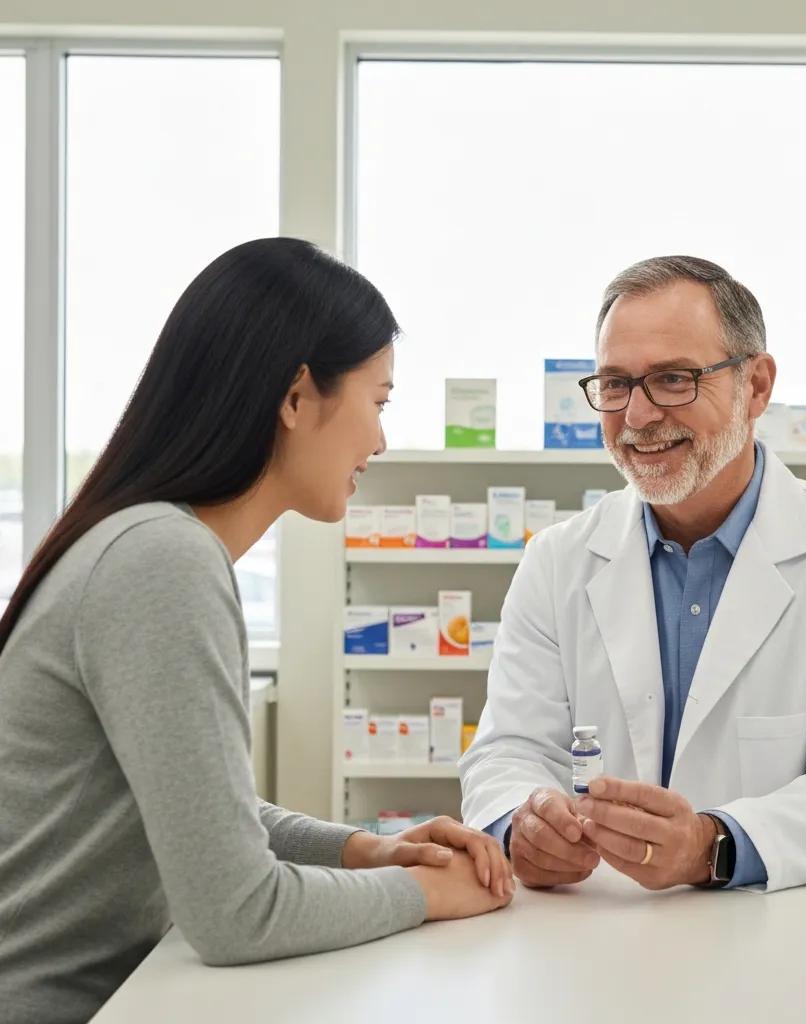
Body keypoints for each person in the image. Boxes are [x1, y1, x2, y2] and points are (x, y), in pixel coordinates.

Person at [0, 238, 513, 1024]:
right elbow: (237, 913)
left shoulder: (149, 542)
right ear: (298, 397)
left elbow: (199, 805)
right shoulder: (161, 561)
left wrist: (363, 849)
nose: (379, 441)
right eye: (377, 402)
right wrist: (425, 893)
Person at [460, 255, 806, 894]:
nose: (636, 416)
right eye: (614, 383)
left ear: (756, 386)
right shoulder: (557, 560)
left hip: (783, 939)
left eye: (672, 379)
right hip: (593, 940)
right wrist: (520, 823)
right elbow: (508, 749)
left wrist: (713, 846)